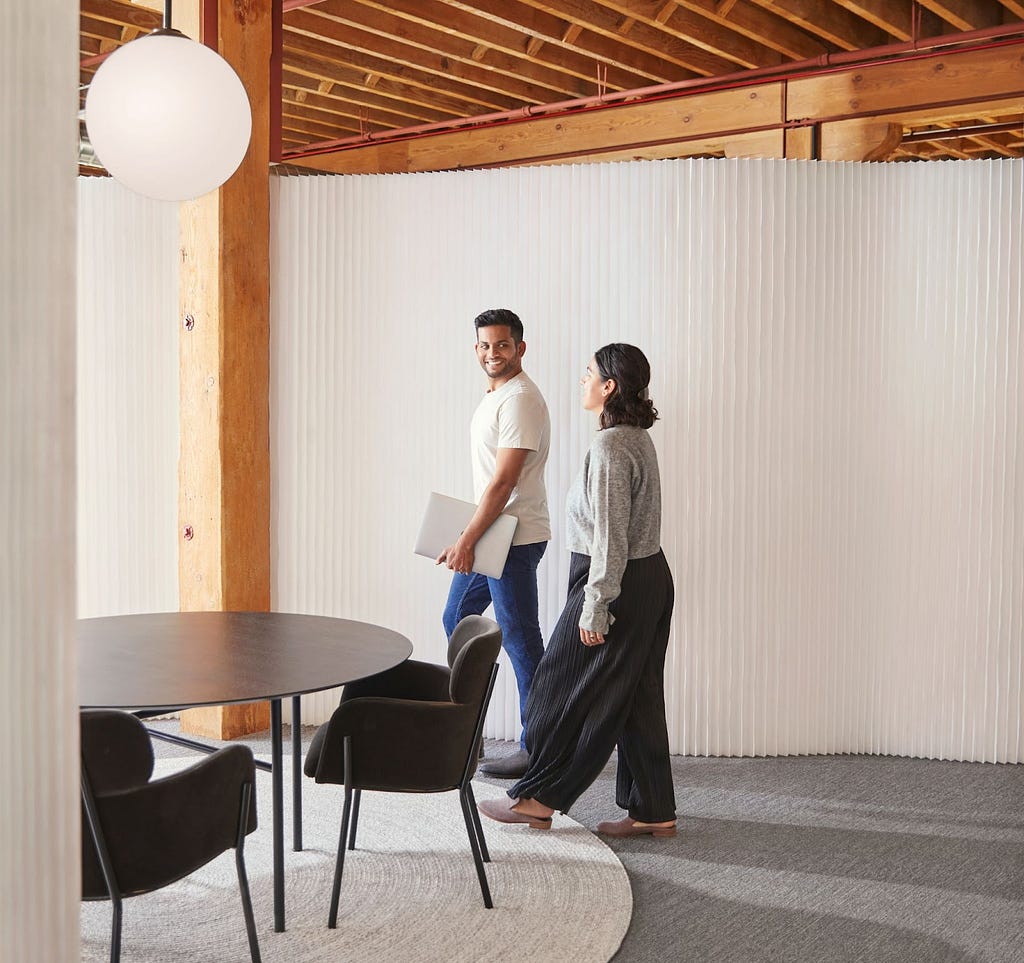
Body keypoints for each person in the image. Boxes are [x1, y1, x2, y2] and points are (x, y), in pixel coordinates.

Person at [478, 342, 676, 837]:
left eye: (588, 374)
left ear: (609, 387)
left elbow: (611, 536)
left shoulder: (610, 447)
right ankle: (654, 809)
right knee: (638, 696)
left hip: (613, 580)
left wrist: (596, 605)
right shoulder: (635, 438)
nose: (581, 381)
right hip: (648, 577)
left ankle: (540, 799)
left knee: (560, 687)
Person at [437, 308, 550, 778]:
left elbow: (503, 483)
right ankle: (470, 731)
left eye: (501, 345)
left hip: (515, 538)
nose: (492, 353)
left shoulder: (520, 399)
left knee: (522, 641)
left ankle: (539, 746)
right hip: (494, 535)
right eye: (484, 345)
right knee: (456, 619)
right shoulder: (496, 395)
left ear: (520, 348)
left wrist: (466, 539)